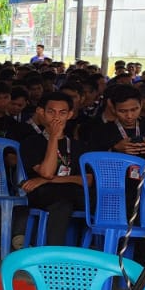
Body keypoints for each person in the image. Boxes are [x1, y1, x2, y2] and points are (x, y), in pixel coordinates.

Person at [20, 92, 86, 248]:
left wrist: (45, 180)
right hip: (42, 194)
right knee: (62, 201)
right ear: (41, 112)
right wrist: (54, 138)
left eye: (62, 113)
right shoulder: (31, 142)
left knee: (77, 197)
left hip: (69, 192)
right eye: (51, 112)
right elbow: (47, 172)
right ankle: (54, 252)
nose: (56, 118)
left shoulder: (78, 145)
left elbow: (87, 180)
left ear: (70, 114)